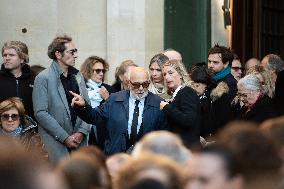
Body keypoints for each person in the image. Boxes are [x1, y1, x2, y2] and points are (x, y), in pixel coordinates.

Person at [70, 67, 168, 155]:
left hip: (145, 159)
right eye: (136, 85)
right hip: (116, 157)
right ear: (129, 83)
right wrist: (83, 107)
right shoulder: (114, 99)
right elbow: (94, 116)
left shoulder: (158, 103)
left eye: (145, 84)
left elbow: (164, 136)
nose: (141, 88)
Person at [33, 34, 90, 162]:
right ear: (58, 54)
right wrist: (65, 137)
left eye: (76, 51)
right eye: (72, 52)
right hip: (55, 143)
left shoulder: (78, 75)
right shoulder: (43, 78)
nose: (76, 55)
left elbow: (88, 106)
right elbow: (40, 113)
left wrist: (82, 132)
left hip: (79, 143)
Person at [160, 60, 200, 148]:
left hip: (188, 149)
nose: (166, 77)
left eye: (170, 73)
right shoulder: (178, 94)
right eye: (164, 74)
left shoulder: (186, 92)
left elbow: (188, 119)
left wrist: (167, 107)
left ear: (181, 75)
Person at [80, 56, 113, 147]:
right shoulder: (81, 88)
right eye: (98, 71)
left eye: (103, 71)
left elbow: (116, 113)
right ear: (88, 71)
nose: (101, 74)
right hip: (82, 133)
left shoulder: (109, 89)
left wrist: (107, 98)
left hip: (103, 135)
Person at [207, 44, 237, 133]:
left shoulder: (230, 83)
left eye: (215, 62)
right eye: (209, 61)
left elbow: (225, 114)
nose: (210, 65)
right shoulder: (210, 79)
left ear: (226, 63)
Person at [0, 41, 34, 118]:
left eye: (11, 55)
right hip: (3, 127)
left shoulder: (34, 79)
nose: (7, 58)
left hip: (29, 127)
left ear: (22, 59)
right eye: (5, 55)